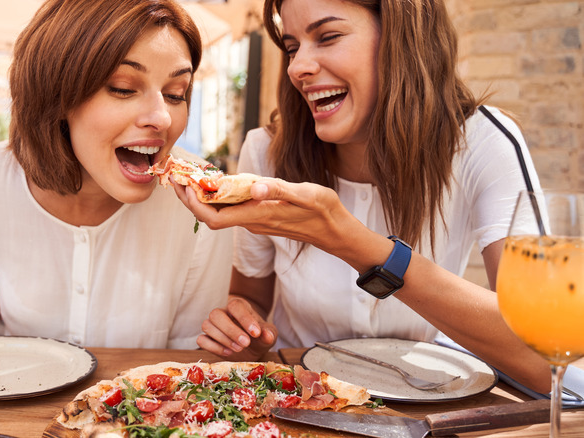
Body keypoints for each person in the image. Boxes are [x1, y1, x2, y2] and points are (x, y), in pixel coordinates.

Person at [173, 0, 551, 393]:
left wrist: (358, 246)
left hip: (425, 399)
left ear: (402, 39)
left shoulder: (483, 143)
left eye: (328, 36)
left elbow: (544, 356)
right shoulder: (266, 153)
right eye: (292, 47)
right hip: (297, 398)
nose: (298, 67)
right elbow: (250, 296)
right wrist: (243, 330)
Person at [0, 0, 232, 349]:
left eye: (175, 94)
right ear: (56, 94)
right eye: (123, 87)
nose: (162, 118)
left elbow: (190, 360)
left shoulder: (203, 201)